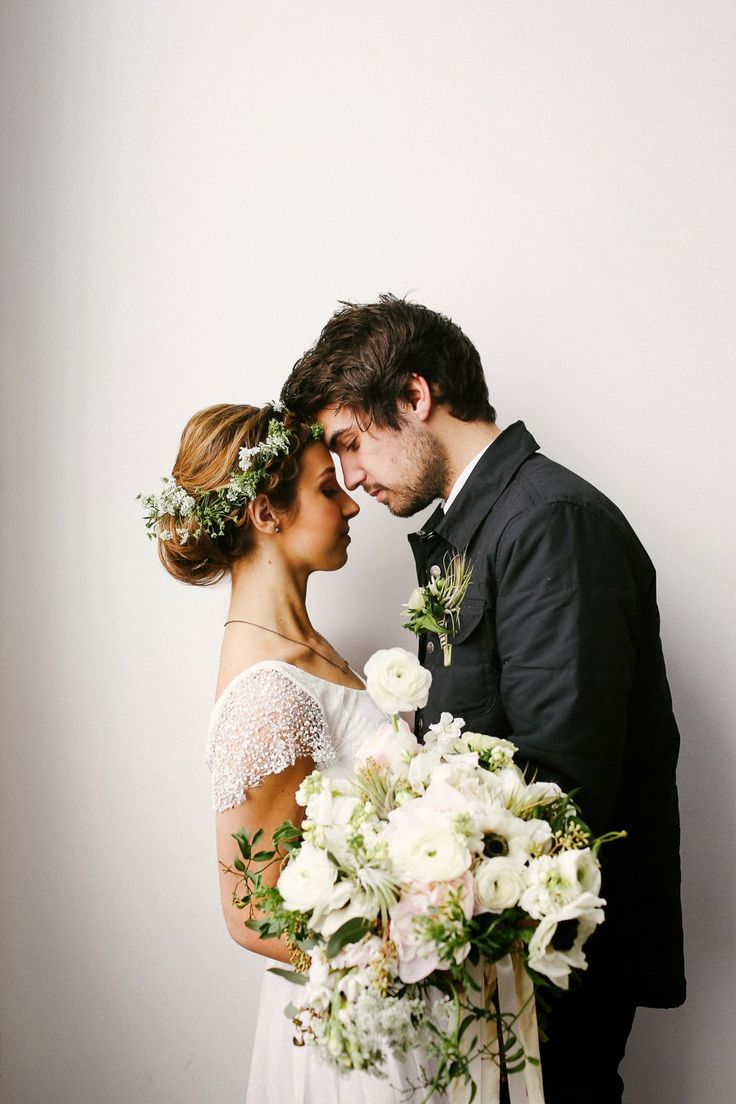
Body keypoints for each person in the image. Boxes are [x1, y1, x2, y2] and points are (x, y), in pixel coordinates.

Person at [282, 295, 686, 1104]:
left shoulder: (549, 523)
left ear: (415, 397)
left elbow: (559, 782)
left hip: (551, 967)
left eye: (350, 442)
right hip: (495, 964)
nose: (351, 477)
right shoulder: (477, 524)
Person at [141, 401, 433, 1102]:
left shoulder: (312, 651)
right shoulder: (267, 694)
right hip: (354, 1031)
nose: (351, 507)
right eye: (327, 490)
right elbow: (251, 913)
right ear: (267, 515)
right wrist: (403, 960)